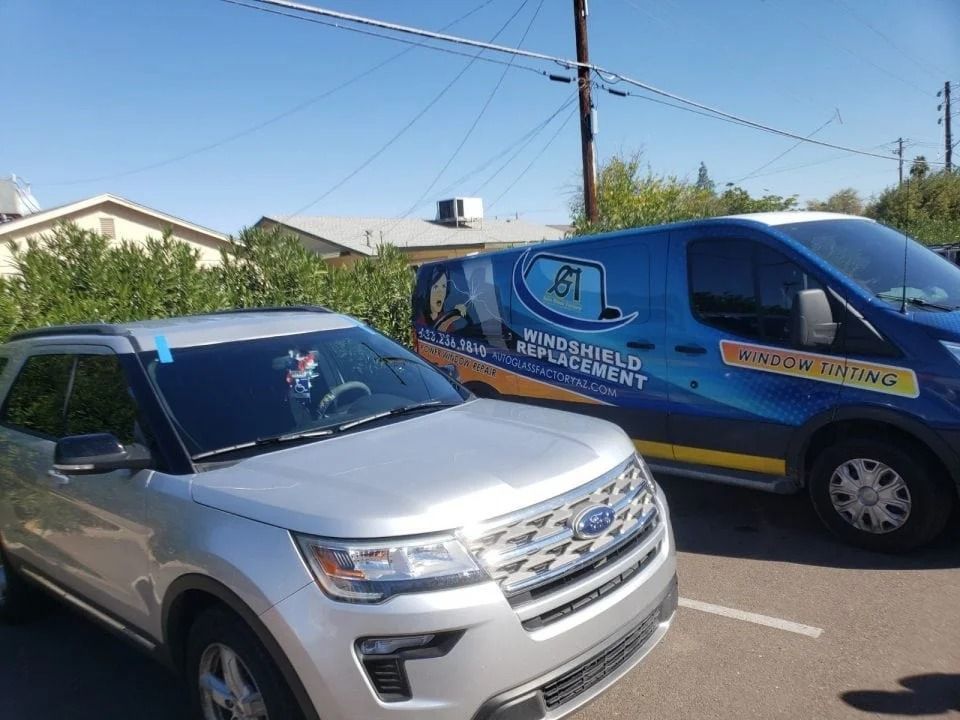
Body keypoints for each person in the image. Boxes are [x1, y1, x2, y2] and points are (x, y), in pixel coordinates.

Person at [418, 264, 469, 332]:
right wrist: (450, 319)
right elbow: (434, 338)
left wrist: (456, 314)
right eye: (435, 287)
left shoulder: (445, 316)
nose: (440, 293)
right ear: (427, 291)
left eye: (443, 286)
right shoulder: (420, 321)